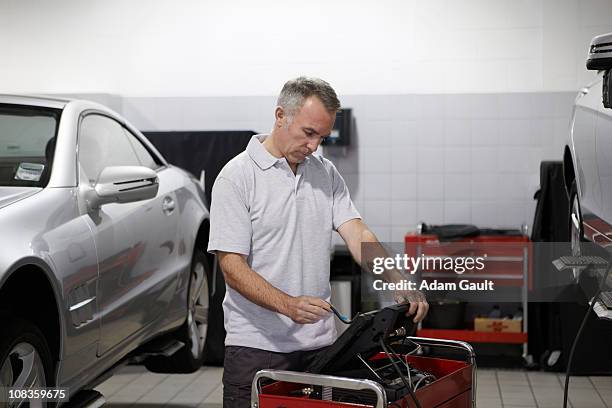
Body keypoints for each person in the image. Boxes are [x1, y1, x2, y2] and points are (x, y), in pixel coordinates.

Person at [207, 76, 428, 407]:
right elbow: (232, 267)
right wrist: (288, 305)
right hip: (256, 348)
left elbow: (358, 233)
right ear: (281, 115)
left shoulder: (324, 173)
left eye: (321, 137)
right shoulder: (237, 178)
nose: (314, 146)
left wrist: (396, 278)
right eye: (309, 133)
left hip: (320, 348)